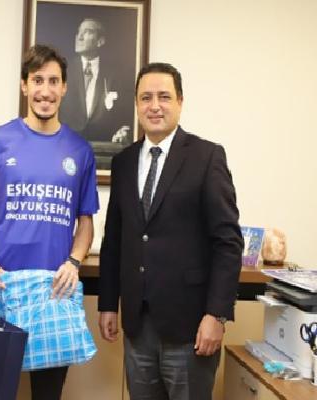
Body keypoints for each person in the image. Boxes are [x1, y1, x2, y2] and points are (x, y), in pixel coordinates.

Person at [98, 62, 243, 400]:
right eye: (146, 97)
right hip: (137, 325)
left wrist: (217, 315)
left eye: (164, 96)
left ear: (180, 101)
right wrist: (108, 303)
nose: (155, 106)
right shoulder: (123, 162)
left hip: (191, 325)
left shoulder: (206, 157)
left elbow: (227, 242)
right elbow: (114, 240)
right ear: (136, 104)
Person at [0, 44, 99, 400]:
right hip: (3, 288)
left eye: (53, 81)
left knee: (47, 394)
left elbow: (85, 220)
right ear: (24, 85)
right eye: (38, 80)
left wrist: (75, 261)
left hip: (53, 293)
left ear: (64, 88)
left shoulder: (79, 150)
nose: (45, 90)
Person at [59, 18, 134, 145]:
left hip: (104, 147)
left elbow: (125, 114)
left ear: (100, 41)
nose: (79, 37)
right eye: (78, 32)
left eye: (87, 31)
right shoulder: (64, 70)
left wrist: (123, 130)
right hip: (67, 145)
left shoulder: (116, 74)